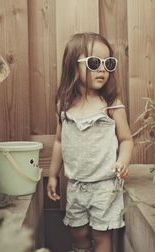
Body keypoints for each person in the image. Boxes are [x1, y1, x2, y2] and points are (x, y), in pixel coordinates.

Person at [47, 32, 134, 252]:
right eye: (94, 62)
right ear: (72, 67)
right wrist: (53, 175)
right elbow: (59, 142)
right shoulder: (64, 105)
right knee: (78, 234)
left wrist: (123, 161)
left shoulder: (111, 104)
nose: (103, 69)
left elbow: (126, 140)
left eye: (108, 63)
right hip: (76, 186)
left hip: (105, 186)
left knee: (102, 235)